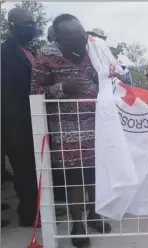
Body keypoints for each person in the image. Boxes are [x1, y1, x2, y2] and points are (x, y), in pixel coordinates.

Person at [31, 14, 111, 248]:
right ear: (57, 38)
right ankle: (78, 226)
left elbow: (106, 79)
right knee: (75, 179)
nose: (80, 44)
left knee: (96, 175)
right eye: (73, 40)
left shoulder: (93, 50)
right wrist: (62, 88)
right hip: (68, 132)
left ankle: (94, 215)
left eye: (82, 37)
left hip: (99, 126)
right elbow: (35, 94)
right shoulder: (45, 55)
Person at [1, 7, 39, 227]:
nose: (31, 26)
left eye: (32, 22)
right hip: (17, 124)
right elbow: (6, 92)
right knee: (25, 173)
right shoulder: (4, 53)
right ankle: (28, 216)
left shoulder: (32, 51)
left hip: (35, 121)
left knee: (35, 170)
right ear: (11, 26)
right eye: (25, 23)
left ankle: (37, 210)